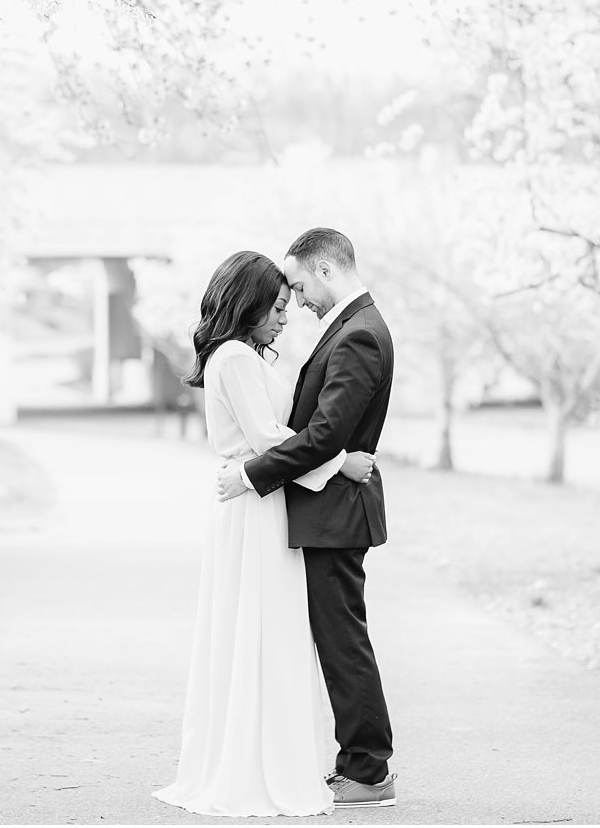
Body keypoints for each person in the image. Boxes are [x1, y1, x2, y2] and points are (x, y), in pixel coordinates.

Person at [154, 250, 376, 818]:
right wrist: (339, 464)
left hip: (265, 503)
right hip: (253, 511)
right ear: (248, 304)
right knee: (258, 635)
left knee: (270, 636)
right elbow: (267, 437)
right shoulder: (232, 356)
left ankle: (269, 757)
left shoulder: (243, 355)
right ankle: (254, 767)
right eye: (278, 306)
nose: (287, 316)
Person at [215, 227, 397, 809]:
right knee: (336, 636)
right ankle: (357, 764)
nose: (295, 302)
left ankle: (368, 770)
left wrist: (251, 474)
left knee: (342, 640)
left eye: (297, 286)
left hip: (336, 513)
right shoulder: (348, 330)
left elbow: (324, 435)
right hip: (327, 507)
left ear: (325, 269)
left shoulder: (359, 335)